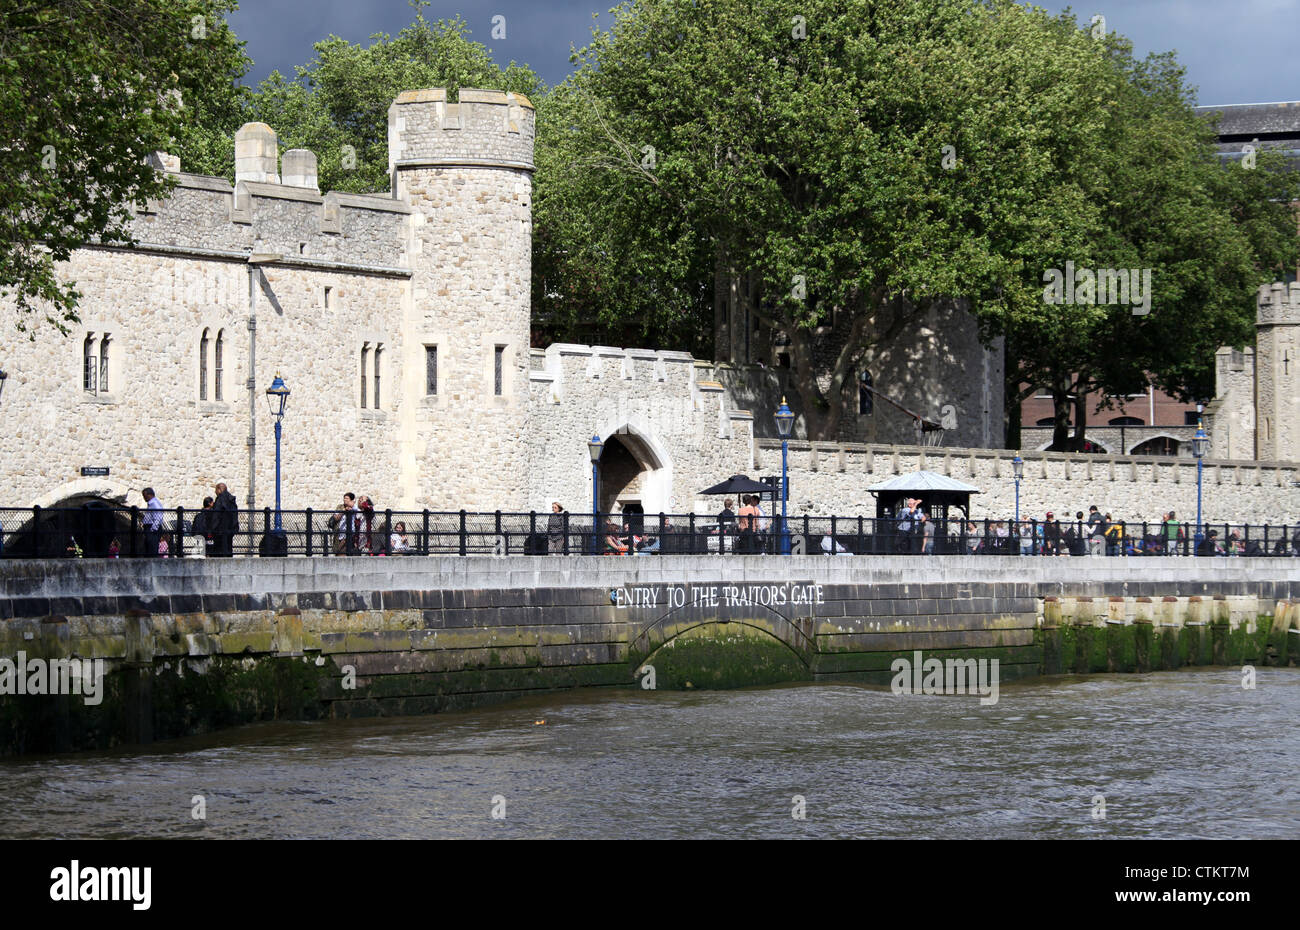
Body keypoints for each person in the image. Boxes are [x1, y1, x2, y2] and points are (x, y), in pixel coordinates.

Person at [212, 482, 238, 557]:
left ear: (219, 489)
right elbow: (235, 514)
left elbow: (216, 516)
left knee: (219, 552)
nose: (215, 492)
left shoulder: (220, 499)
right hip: (230, 530)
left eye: (216, 490)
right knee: (228, 550)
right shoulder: (231, 499)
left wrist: (213, 529)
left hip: (220, 531)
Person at [142, 487, 164, 557]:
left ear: (149, 495)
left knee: (152, 548)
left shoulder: (154, 503)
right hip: (150, 528)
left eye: (144, 495)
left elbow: (158, 516)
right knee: (149, 548)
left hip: (151, 528)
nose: (144, 497)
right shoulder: (152, 503)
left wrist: (153, 529)